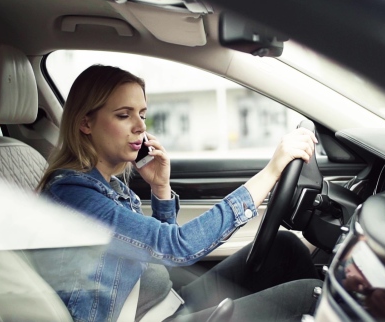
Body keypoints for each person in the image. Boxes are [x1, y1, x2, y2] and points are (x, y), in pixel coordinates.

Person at [34, 64, 323, 322]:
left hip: (171, 302)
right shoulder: (74, 195)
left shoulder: (112, 187)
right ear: (85, 123)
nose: (140, 126)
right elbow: (176, 248)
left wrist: (160, 189)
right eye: (124, 115)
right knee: (311, 295)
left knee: (284, 248)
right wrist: (271, 172)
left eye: (142, 114)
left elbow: (159, 257)